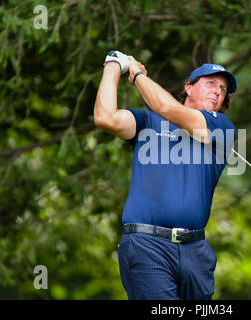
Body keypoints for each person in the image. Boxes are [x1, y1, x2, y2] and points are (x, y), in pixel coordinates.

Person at [94, 50, 238, 300]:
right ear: (189, 88)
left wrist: (137, 72)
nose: (217, 91)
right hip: (146, 245)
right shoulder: (148, 122)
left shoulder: (220, 126)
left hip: (195, 252)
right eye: (211, 83)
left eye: (223, 89)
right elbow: (105, 118)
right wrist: (114, 64)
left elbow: (167, 107)